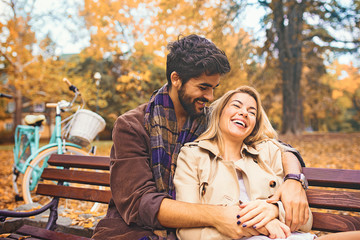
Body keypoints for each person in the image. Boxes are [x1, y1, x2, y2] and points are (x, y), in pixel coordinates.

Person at [92, 34, 308, 240]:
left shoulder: (210, 120)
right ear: (176, 79)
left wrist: (293, 181)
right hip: (136, 230)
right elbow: (141, 203)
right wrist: (219, 215)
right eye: (203, 87)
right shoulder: (133, 126)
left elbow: (279, 147)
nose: (210, 97)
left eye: (214, 88)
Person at [174, 86, 315, 240]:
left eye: (252, 112)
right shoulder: (193, 156)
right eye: (236, 105)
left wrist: (274, 209)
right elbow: (187, 232)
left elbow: (306, 221)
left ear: (254, 124)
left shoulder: (269, 152)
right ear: (220, 112)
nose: (244, 113)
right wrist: (258, 226)